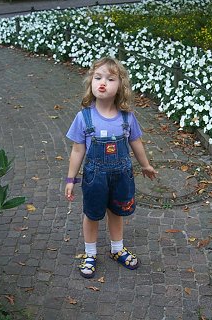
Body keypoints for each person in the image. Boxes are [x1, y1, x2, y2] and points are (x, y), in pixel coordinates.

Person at [65, 57, 157, 278]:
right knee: (92, 214)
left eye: (110, 78)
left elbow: (135, 141)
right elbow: (78, 150)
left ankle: (117, 249)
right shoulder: (83, 117)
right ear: (91, 83)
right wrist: (71, 179)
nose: (102, 82)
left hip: (121, 176)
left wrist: (145, 165)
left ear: (120, 86)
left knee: (117, 212)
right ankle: (90, 253)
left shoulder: (127, 116)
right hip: (95, 177)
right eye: (98, 77)